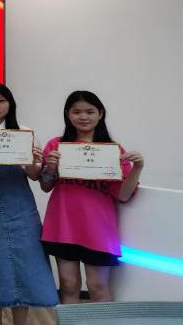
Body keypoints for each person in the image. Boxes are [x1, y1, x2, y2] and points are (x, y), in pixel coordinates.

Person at [0, 82, 58, 325]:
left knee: (26, 265)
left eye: (1, 100)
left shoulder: (23, 132)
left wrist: (33, 160)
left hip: (21, 207)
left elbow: (34, 175)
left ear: (10, 104)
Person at [40, 90, 144, 303]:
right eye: (76, 112)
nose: (83, 117)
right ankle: (72, 320)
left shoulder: (113, 150)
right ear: (67, 114)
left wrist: (138, 167)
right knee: (68, 284)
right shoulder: (56, 145)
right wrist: (50, 167)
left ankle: (102, 319)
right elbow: (45, 185)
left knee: (98, 286)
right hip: (63, 225)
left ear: (100, 114)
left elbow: (124, 195)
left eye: (89, 111)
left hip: (99, 230)